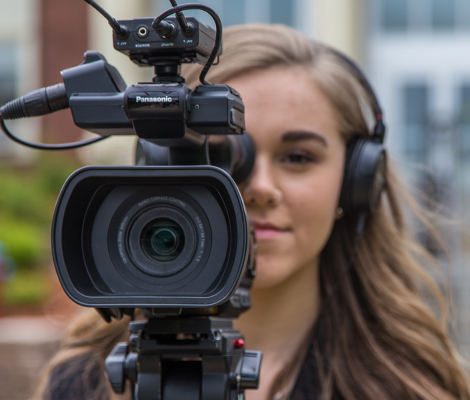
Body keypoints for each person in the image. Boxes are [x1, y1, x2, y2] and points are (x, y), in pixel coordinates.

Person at [32, 24, 470, 400]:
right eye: (220, 154)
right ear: (158, 171)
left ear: (357, 180)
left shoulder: (409, 384)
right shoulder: (85, 382)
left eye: (298, 157)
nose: (260, 188)